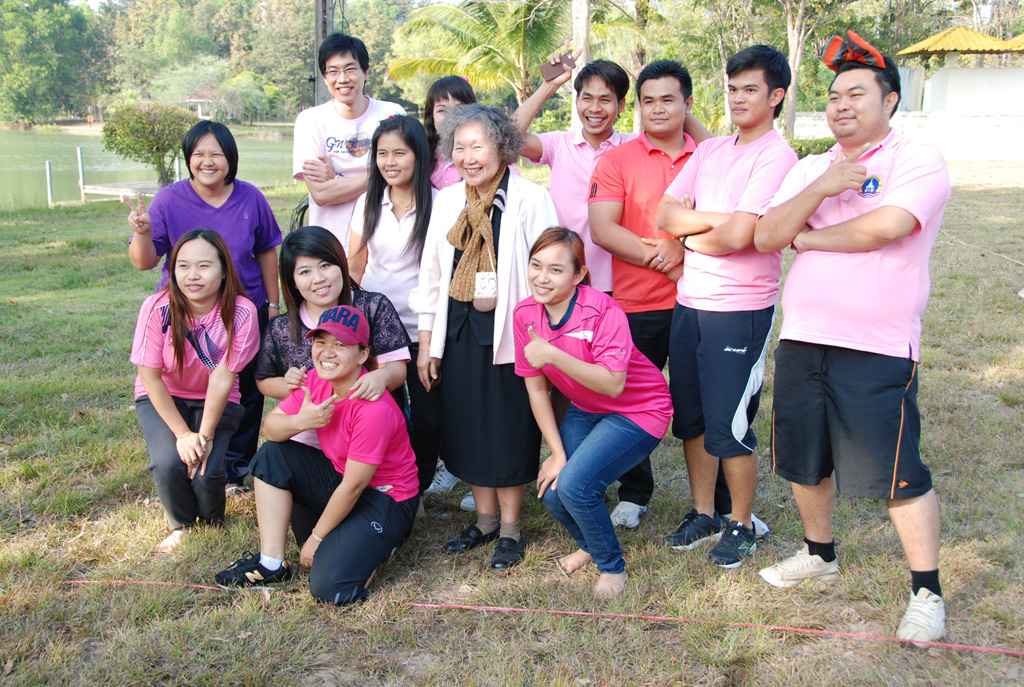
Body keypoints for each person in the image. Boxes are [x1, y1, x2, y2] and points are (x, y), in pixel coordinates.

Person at [753, 31, 951, 645]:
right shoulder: (812, 167)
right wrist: (819, 189)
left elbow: (887, 226)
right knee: (804, 457)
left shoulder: (916, 158)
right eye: (834, 95)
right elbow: (767, 236)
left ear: (889, 100)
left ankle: (927, 592)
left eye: (856, 94)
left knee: (897, 471)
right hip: (803, 338)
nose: (841, 104)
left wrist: (810, 237)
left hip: (878, 344)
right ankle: (819, 554)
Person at [654, 45, 798, 567]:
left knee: (729, 424)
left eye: (750, 89)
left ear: (775, 96)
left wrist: (693, 234)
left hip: (740, 310)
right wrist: (720, 223)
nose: (738, 98)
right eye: (733, 88)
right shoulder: (711, 150)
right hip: (690, 303)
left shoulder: (776, 156)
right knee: (692, 418)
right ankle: (704, 513)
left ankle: (741, 522)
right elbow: (664, 213)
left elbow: (743, 237)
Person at [410, 104, 559, 570]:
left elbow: (549, 270)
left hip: (511, 334)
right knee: (469, 426)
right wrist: (427, 343)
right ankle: (486, 520)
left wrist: (543, 337)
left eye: (478, 146)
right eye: (460, 147)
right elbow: (432, 275)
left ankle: (511, 529)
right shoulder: (448, 200)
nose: (468, 157)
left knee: (506, 428)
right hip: (457, 328)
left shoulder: (529, 198)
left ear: (503, 148)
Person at [215, 305, 419, 605]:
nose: (327, 352)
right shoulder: (316, 380)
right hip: (341, 479)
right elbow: (271, 429)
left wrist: (317, 538)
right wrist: (301, 421)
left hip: (385, 498)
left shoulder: (373, 408)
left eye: (340, 345)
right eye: (320, 342)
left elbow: (355, 486)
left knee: (329, 588)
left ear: (362, 355)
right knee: (273, 455)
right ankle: (271, 564)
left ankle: (379, 545)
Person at [125, 120, 282, 494]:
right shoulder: (169, 200)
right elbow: (144, 262)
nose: (207, 161)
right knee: (189, 385)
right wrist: (142, 234)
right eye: (199, 154)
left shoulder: (250, 198)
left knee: (245, 391)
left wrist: (273, 306)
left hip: (244, 311)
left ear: (231, 158)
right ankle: (185, 453)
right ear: (188, 158)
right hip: (187, 313)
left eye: (217, 154)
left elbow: (267, 251)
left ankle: (234, 470)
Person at [514, 228, 673, 598]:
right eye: (536, 265)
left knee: (576, 486)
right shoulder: (525, 315)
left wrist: (553, 354)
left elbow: (614, 384)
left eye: (556, 269)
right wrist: (556, 452)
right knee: (554, 492)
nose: (542, 277)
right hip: (586, 408)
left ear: (578, 275)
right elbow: (536, 389)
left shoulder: (603, 310)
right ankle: (590, 544)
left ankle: (612, 567)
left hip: (639, 410)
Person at [586, 60, 703, 529]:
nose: (657, 109)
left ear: (687, 104)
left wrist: (683, 252)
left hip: (699, 301)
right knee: (630, 401)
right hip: (636, 305)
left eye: (668, 99)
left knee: (699, 403)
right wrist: (668, 257)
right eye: (648, 100)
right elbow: (603, 229)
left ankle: (714, 501)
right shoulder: (616, 159)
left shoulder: (710, 155)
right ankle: (634, 492)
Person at [131, 230, 260, 553]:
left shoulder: (242, 312)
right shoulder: (156, 307)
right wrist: (182, 435)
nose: (192, 275)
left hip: (216, 398)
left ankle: (213, 521)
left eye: (204, 266)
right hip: (163, 394)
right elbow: (150, 376)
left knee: (207, 472)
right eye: (183, 266)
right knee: (168, 463)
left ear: (224, 270)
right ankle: (181, 525)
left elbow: (222, 377)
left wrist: (202, 436)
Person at [348, 115, 443, 498]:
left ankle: (416, 486)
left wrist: (434, 338)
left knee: (429, 420)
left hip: (422, 331)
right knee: (382, 414)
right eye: (382, 153)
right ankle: (385, 487)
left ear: (419, 155)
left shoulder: (441, 204)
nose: (389, 162)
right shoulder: (368, 202)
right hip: (375, 332)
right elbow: (355, 266)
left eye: (399, 153)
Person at [255, 226, 410, 419]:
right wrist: (289, 384)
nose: (318, 279)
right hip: (312, 427)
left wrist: (381, 377)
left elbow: (396, 367)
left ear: (341, 264)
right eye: (305, 272)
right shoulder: (281, 328)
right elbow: (264, 380)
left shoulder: (374, 307)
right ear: (292, 281)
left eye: (325, 266)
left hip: (371, 421)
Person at [293, 33, 406, 251]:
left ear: (365, 72)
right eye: (333, 71)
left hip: (384, 246)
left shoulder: (392, 113)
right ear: (324, 77)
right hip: (332, 246)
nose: (342, 79)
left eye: (350, 69)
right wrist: (382, 174)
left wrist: (337, 178)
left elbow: (408, 176)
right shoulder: (310, 120)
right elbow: (321, 194)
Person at [424, 75, 478, 190]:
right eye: (442, 110)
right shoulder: (422, 157)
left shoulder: (489, 156)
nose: (451, 116)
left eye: (459, 108)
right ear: (432, 117)